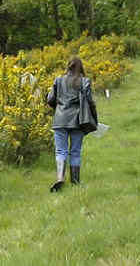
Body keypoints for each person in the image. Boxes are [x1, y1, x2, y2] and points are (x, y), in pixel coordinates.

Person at [47, 57, 97, 192]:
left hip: (60, 120)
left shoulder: (58, 80)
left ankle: (60, 179)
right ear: (81, 68)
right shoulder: (85, 81)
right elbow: (90, 102)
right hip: (78, 120)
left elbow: (50, 99)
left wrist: (58, 108)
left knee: (60, 150)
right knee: (75, 152)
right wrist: (93, 118)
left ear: (68, 67)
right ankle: (75, 182)